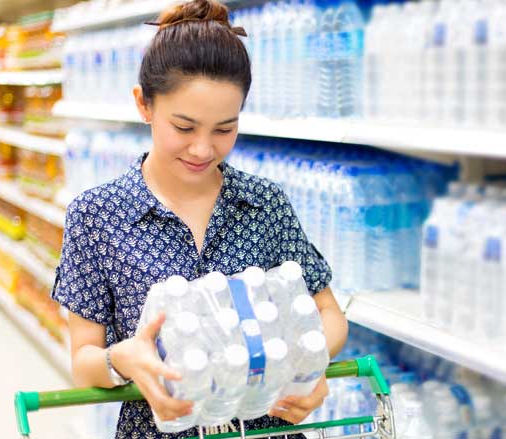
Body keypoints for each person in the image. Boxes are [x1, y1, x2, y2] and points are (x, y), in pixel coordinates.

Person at [52, 0, 349, 437]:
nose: (202, 150)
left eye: (224, 129)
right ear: (144, 105)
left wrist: (309, 367)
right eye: (185, 127)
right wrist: (122, 359)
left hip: (266, 427)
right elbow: (84, 361)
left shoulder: (264, 203)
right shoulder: (97, 215)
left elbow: (328, 312)